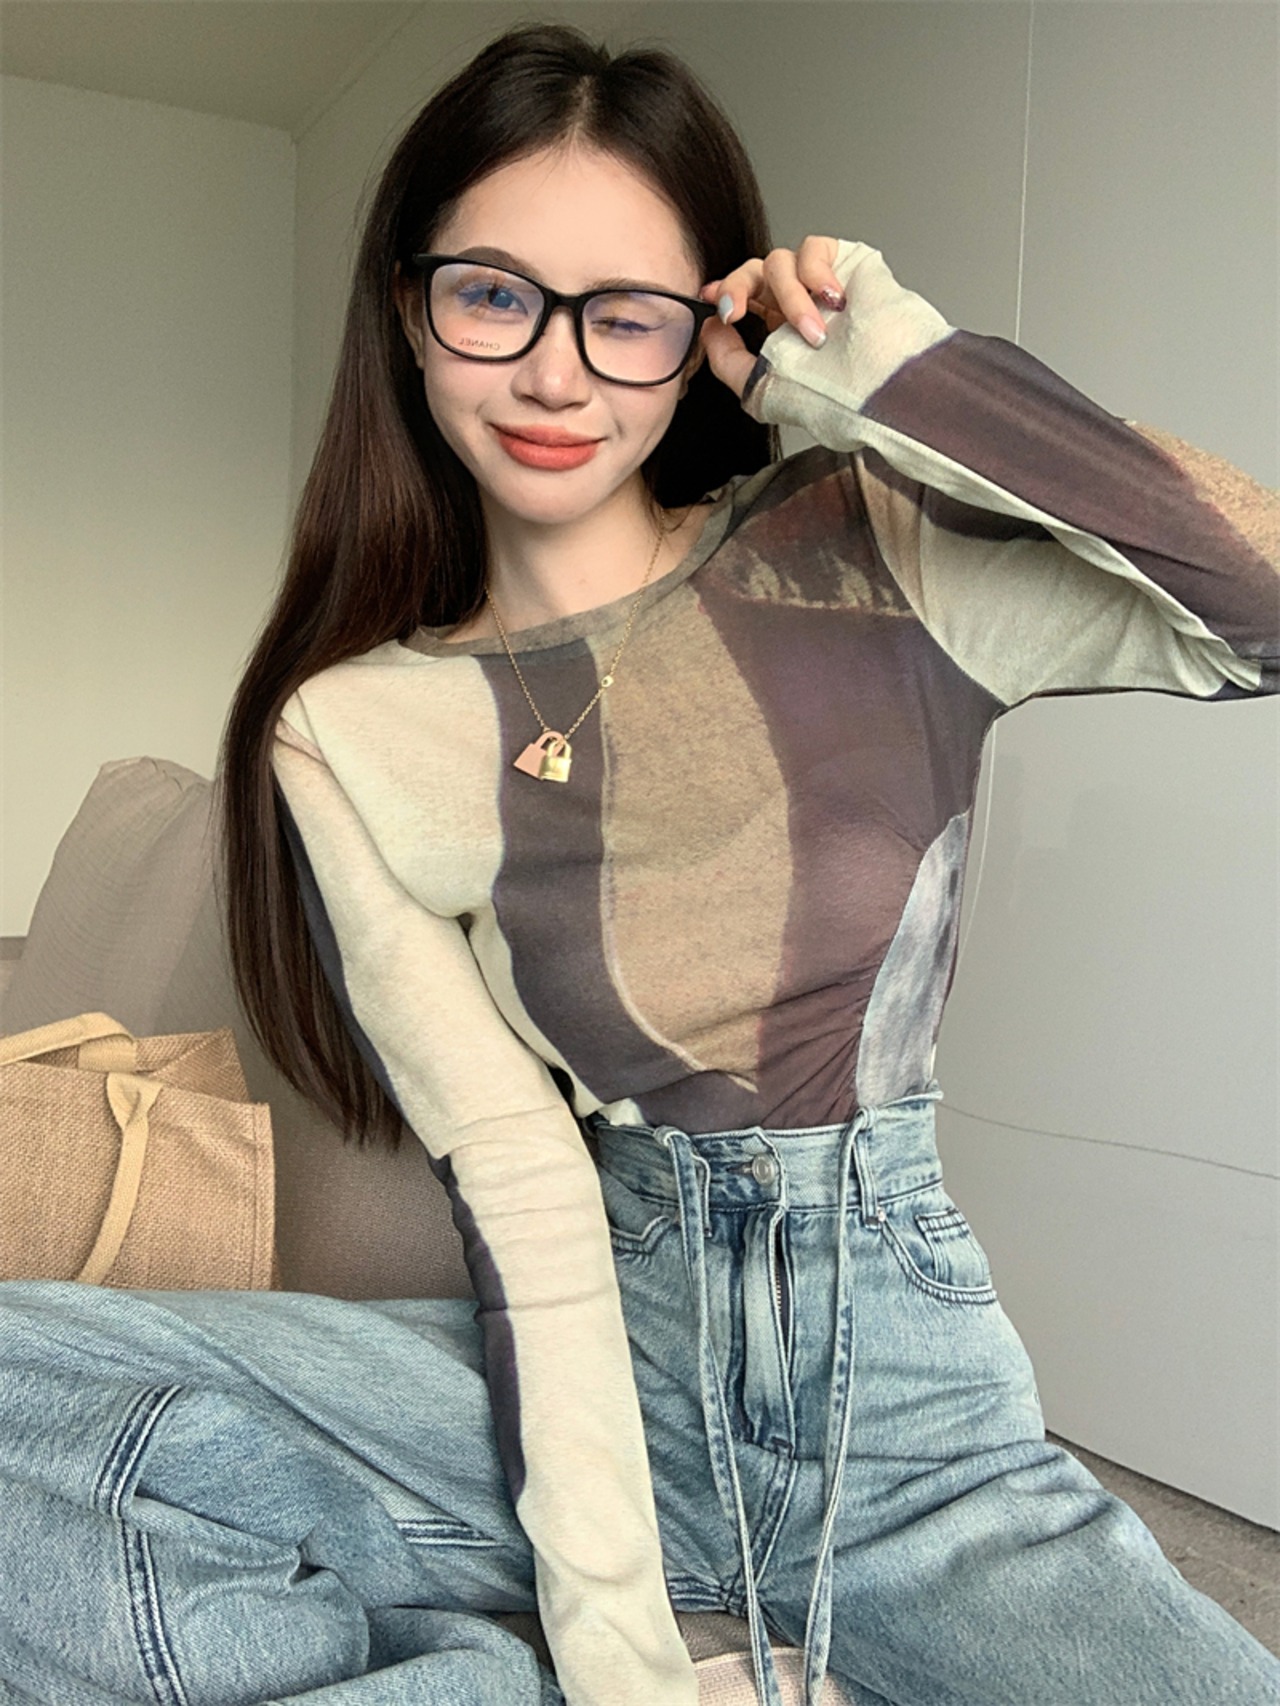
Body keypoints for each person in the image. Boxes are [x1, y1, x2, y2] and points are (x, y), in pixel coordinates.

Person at [1, 19, 1277, 1706]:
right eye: (494, 295)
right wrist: (619, 1663)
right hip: (582, 1392)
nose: (556, 374)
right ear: (409, 306)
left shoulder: (864, 551)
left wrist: (899, 376)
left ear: (703, 330)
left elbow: (1257, 605)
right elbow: (520, 1182)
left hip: (907, 1440)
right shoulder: (349, 728)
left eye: (626, 315)